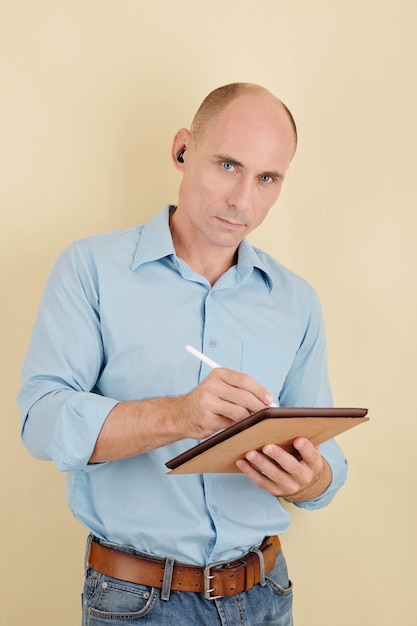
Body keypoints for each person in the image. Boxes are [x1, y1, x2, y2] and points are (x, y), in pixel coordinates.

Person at [18, 82, 348, 625]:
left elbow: (325, 460)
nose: (243, 200)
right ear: (182, 150)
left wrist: (309, 478)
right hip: (137, 602)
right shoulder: (90, 269)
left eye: (268, 178)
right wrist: (180, 414)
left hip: (267, 594)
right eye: (227, 165)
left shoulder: (296, 300)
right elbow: (41, 421)